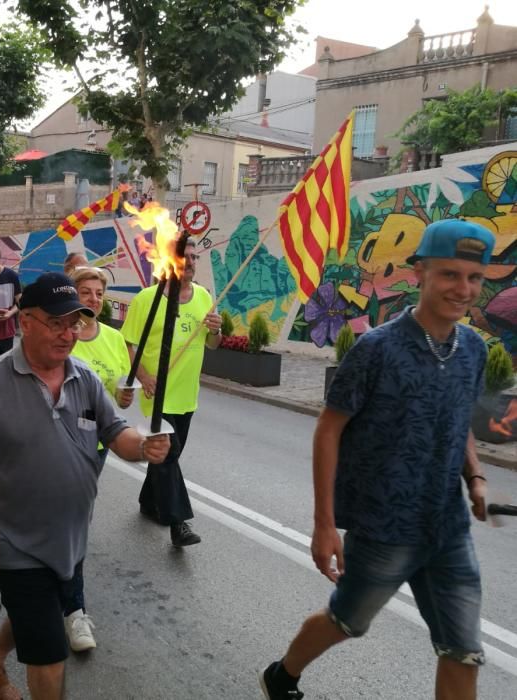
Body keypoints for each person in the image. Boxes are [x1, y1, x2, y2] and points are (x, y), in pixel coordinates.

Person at [259, 220, 494, 700]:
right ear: (419, 272)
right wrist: (324, 524)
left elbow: (458, 420)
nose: (463, 288)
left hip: (448, 528)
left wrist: (476, 476)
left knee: (462, 649)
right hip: (383, 527)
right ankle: (282, 674)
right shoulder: (376, 348)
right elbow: (329, 429)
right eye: (450, 274)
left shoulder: (472, 349)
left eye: (474, 278)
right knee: (346, 621)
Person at [0, 273, 170, 700]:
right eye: (56, 323)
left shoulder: (83, 377)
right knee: (49, 656)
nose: (68, 334)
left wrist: (143, 447)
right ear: (25, 322)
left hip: (70, 542)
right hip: (17, 547)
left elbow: (115, 431)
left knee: (39, 614)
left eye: (75, 324)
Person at [121, 243, 221, 547]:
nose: (190, 262)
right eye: (184, 257)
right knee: (168, 454)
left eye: (194, 258)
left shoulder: (204, 297)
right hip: (158, 396)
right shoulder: (147, 300)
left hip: (187, 395)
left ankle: (148, 501)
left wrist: (216, 330)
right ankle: (179, 523)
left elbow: (213, 344)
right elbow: (128, 343)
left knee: (166, 457)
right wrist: (144, 377)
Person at [60, 266, 135, 652]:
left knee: (75, 523)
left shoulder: (115, 338)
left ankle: (70, 605)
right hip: (55, 443)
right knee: (66, 523)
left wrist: (124, 397)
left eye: (98, 294)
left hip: (96, 447)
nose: (92, 299)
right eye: (85, 292)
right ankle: (72, 610)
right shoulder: (62, 336)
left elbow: (120, 391)